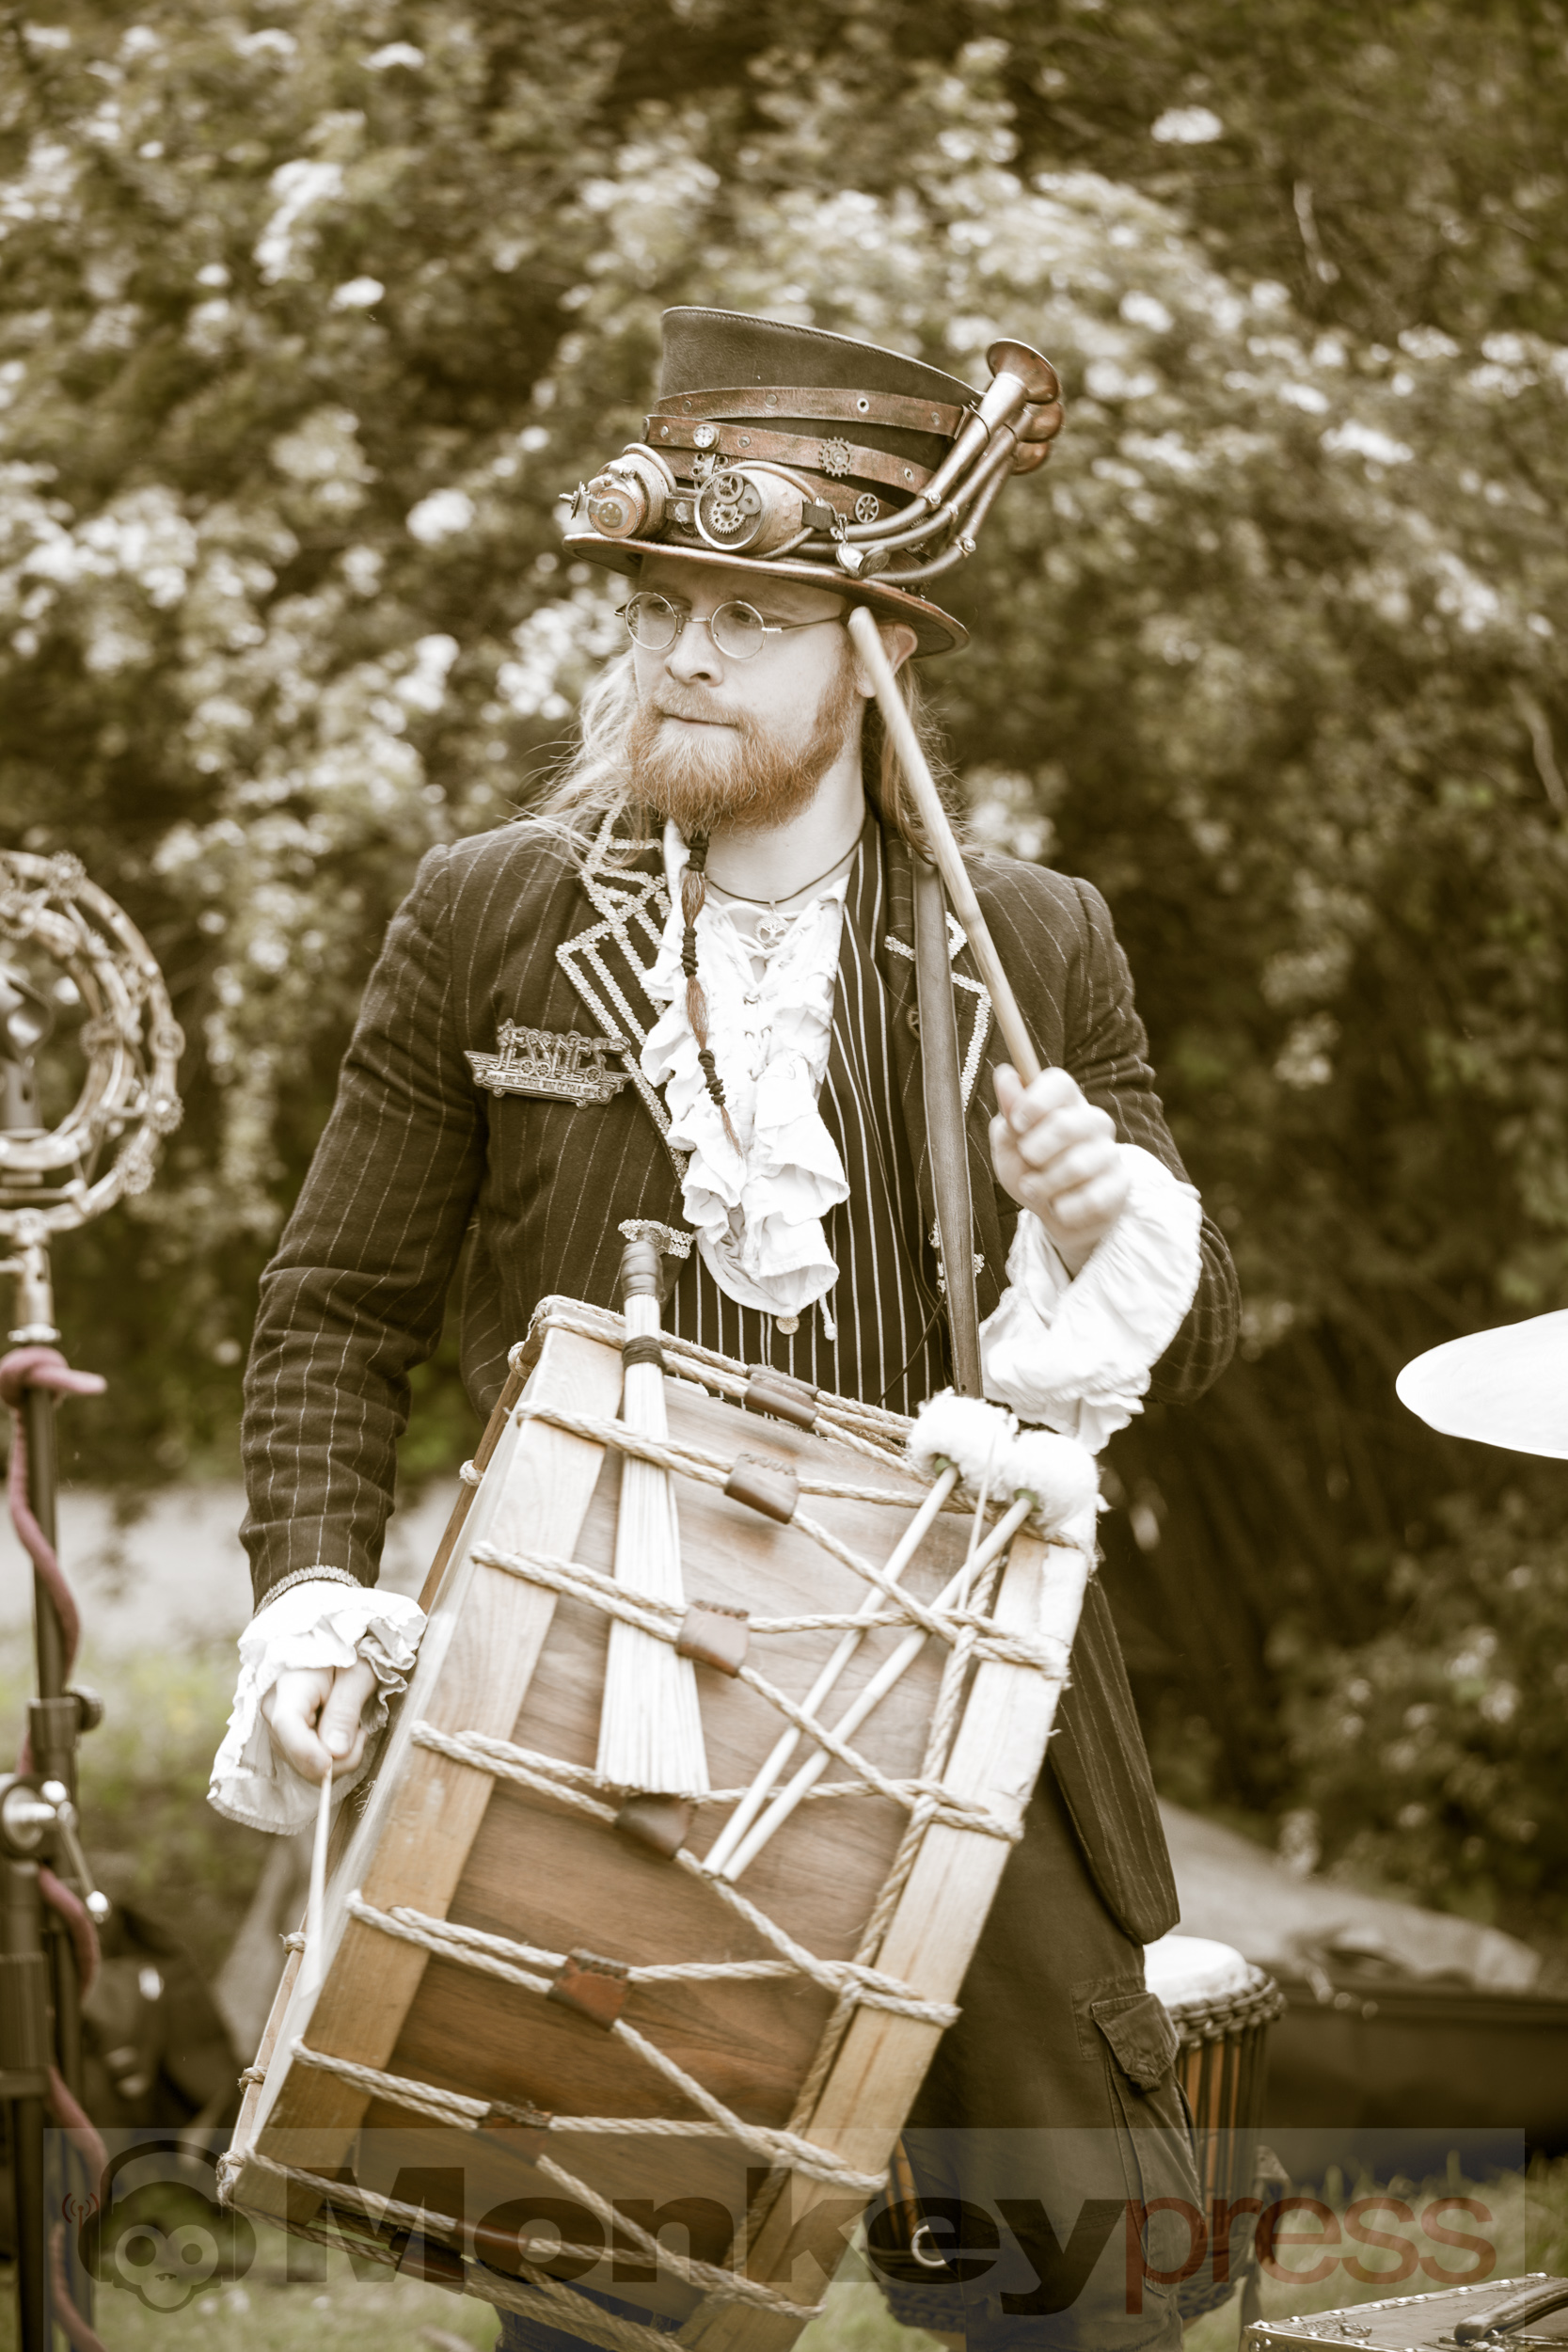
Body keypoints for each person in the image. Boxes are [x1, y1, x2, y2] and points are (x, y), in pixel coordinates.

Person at [211, 308, 1239, 2352]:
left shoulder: (1034, 941)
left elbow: (1188, 1350)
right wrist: (314, 1594)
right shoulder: (492, 909)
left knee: (1080, 2312)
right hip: (600, 1706)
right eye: (667, 604)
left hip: (961, 1708)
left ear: (878, 648)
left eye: (750, 611)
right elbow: (334, 1310)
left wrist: (1114, 1224)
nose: (684, 652)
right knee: (602, 2322)